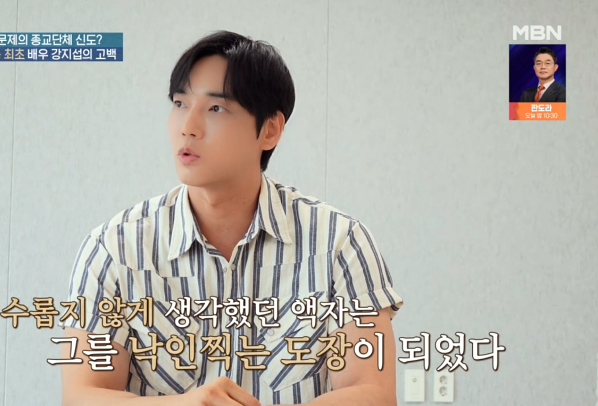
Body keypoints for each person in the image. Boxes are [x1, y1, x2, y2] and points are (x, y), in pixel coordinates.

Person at [59, 30, 403, 406]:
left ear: (269, 130)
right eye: (179, 103)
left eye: (215, 109)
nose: (188, 126)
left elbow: (372, 393)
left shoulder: (339, 243)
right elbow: (82, 396)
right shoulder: (114, 248)